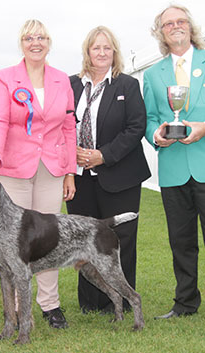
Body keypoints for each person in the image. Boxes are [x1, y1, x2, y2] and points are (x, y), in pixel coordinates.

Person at [0, 19, 76, 329]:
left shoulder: (62, 80)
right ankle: (20, 309)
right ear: (21, 43)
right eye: (29, 38)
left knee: (49, 240)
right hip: (12, 169)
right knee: (15, 244)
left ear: (49, 42)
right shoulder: (4, 78)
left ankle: (50, 305)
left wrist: (70, 171)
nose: (36, 42)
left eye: (42, 37)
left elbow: (68, 127)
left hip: (51, 169)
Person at [67, 26, 151, 314]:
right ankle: (90, 301)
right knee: (83, 240)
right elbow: (62, 126)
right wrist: (72, 152)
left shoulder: (127, 85)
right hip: (80, 177)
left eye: (107, 48)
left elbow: (136, 127)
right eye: (95, 48)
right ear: (87, 52)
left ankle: (121, 300)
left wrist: (104, 155)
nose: (101, 53)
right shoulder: (71, 85)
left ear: (114, 52)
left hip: (120, 175)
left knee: (119, 240)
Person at [144, 5, 205, 319]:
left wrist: (203, 127)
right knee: (181, 243)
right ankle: (185, 304)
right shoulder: (154, 74)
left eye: (181, 21)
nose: (176, 26)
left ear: (190, 27)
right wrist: (157, 135)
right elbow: (150, 118)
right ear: (161, 32)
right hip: (173, 171)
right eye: (168, 24)